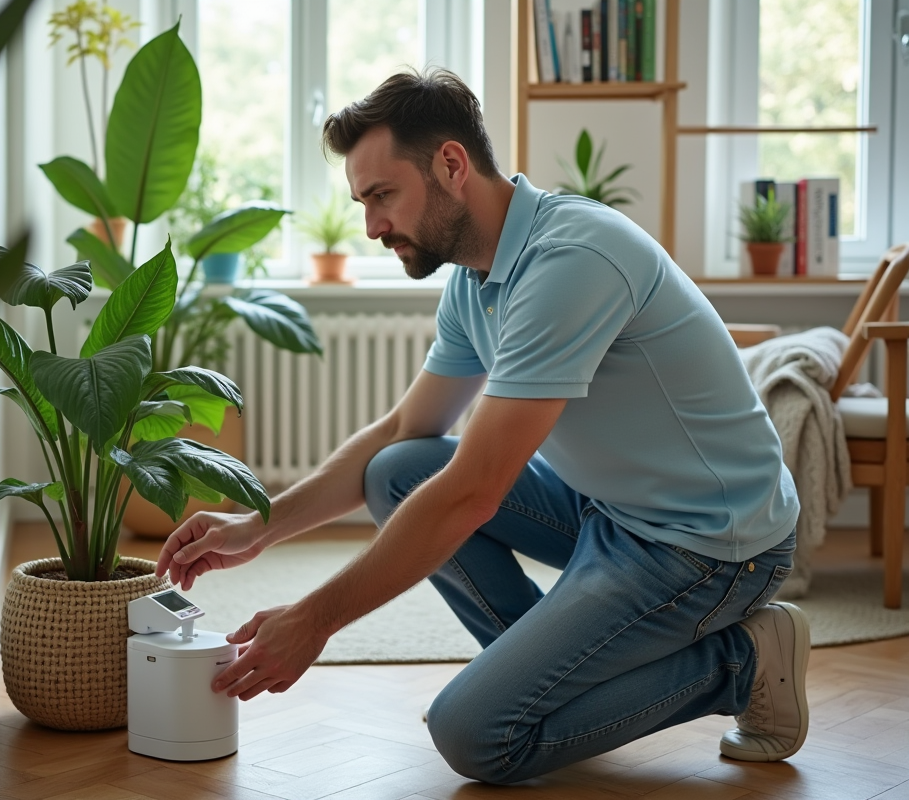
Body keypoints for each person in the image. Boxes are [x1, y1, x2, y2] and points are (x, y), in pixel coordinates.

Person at [155, 68, 808, 784]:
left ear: (451, 165)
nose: (371, 226)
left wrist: (313, 620)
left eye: (382, 196)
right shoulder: (474, 280)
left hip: (710, 546)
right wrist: (257, 526)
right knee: (396, 471)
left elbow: (475, 492)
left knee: (476, 737)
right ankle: (538, 680)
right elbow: (405, 428)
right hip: (612, 514)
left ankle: (743, 662)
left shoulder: (570, 260)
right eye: (363, 202)